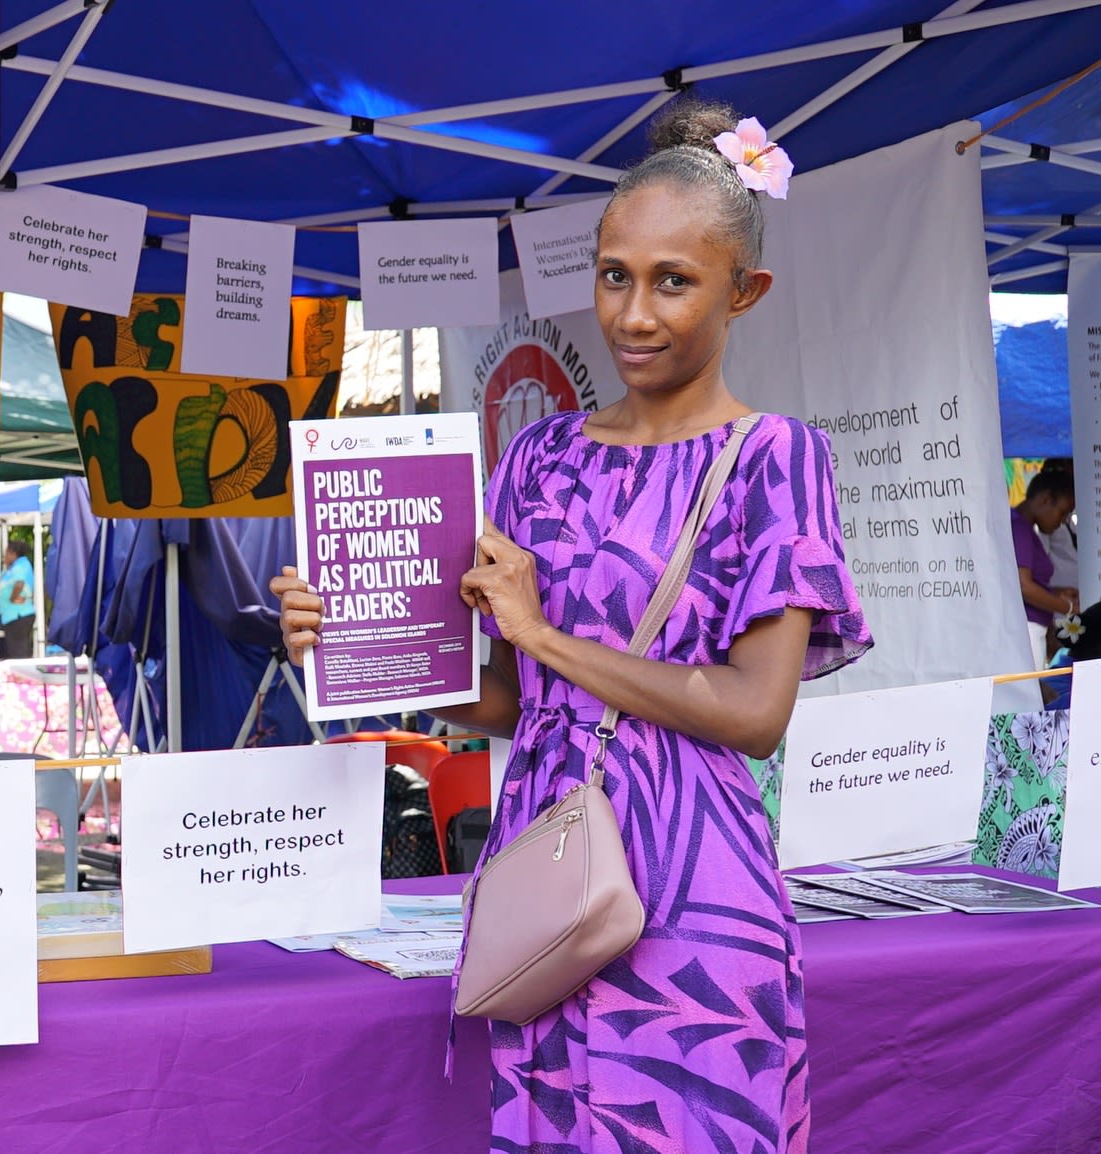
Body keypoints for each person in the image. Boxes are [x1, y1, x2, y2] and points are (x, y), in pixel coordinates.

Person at [276, 100, 870, 1152]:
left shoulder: (773, 459)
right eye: (613, 276)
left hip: (693, 889)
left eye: (673, 282)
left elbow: (754, 713)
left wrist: (545, 634)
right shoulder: (539, 457)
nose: (634, 315)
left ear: (743, 290)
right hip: (546, 878)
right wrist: (350, 649)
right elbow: (514, 702)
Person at [1011, 469, 1078, 666]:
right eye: (1063, 512)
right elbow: (1023, 586)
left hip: (1030, 631)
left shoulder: (1022, 527)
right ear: (1045, 500)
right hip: (1025, 632)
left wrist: (1055, 593)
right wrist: (1070, 608)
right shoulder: (1019, 527)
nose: (1063, 521)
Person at [0, 541, 37, 660]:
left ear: (13, 553)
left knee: (18, 652)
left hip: (17, 615)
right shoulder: (11, 568)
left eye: (6, 553)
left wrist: (12, 598)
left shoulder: (21, 566)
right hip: (9, 616)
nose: (4, 556)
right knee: (11, 651)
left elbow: (19, 583)